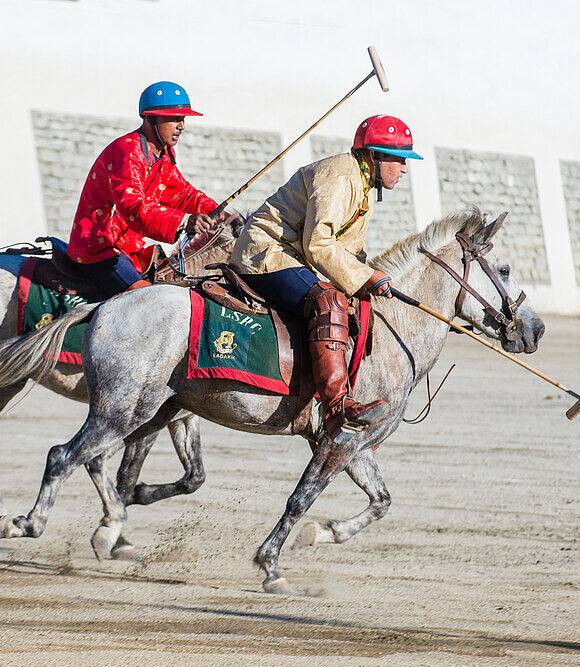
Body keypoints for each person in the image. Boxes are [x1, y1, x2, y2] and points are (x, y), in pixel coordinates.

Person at [229, 114, 423, 443]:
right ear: (375, 156)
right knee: (329, 302)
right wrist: (365, 275)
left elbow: (348, 252)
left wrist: (366, 280)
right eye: (399, 159)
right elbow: (318, 245)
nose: (404, 168)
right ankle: (336, 410)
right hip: (267, 252)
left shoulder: (363, 185)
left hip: (294, 256)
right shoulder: (341, 176)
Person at [56, 81, 230, 297]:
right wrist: (185, 221)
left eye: (183, 119)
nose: (182, 126)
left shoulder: (163, 154)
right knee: (147, 301)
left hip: (130, 250)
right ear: (151, 118)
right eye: (174, 119)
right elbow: (132, 206)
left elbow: (182, 194)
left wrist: (223, 215)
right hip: (100, 250)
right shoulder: (126, 151)